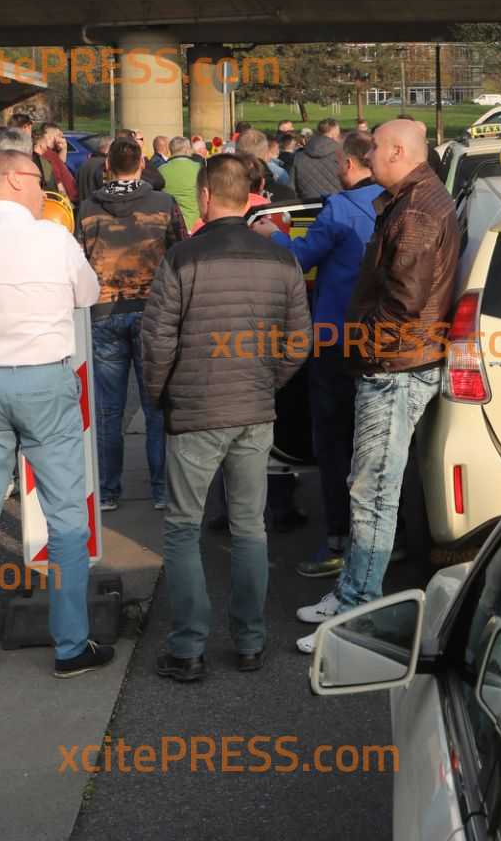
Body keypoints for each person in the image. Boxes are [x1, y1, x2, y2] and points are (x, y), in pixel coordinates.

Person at [0, 150, 109, 679]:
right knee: (66, 517)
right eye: (38, 179)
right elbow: (90, 294)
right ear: (13, 179)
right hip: (43, 380)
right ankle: (71, 644)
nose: (46, 188)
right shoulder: (52, 239)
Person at [141, 154, 310, 680]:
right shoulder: (281, 261)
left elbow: (157, 339)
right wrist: (269, 381)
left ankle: (188, 648)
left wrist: (158, 395)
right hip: (255, 410)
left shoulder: (181, 259)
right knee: (249, 528)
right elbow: (299, 340)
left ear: (207, 197)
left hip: (195, 410)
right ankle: (249, 642)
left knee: (183, 528)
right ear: (251, 197)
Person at [295, 119, 460, 650]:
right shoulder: (420, 199)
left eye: (376, 151)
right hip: (400, 362)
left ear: (396, 152)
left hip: (395, 367)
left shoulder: (413, 209)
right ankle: (353, 596)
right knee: (376, 489)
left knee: (371, 494)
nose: (367, 157)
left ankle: (356, 612)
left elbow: (404, 299)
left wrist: (362, 347)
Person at [255, 131, 381, 580]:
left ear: (349, 164)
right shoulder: (400, 203)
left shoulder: (342, 209)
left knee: (333, 444)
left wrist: (273, 234)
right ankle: (391, 538)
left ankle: (339, 540)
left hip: (334, 339)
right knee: (380, 448)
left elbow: (299, 257)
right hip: (387, 343)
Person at [79, 135, 187, 513]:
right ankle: (160, 489)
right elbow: (180, 253)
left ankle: (108, 490)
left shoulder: (88, 208)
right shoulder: (163, 203)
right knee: (155, 404)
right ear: (142, 164)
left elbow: (79, 259)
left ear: (107, 167)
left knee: (108, 410)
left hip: (104, 312)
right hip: (151, 313)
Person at [157, 136, 204, 231]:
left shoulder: (160, 170)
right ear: (187, 150)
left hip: (171, 226)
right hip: (195, 225)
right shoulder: (198, 168)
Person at [292, 117, 344, 201]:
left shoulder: (298, 156)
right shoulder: (343, 156)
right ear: (334, 136)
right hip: (337, 207)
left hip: (308, 208)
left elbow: (291, 189)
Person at [36, 122, 78, 202]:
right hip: (66, 201)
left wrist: (63, 148)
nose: (63, 139)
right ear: (55, 136)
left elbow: (61, 164)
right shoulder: (48, 154)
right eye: (60, 136)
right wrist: (66, 203)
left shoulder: (51, 153)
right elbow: (57, 181)